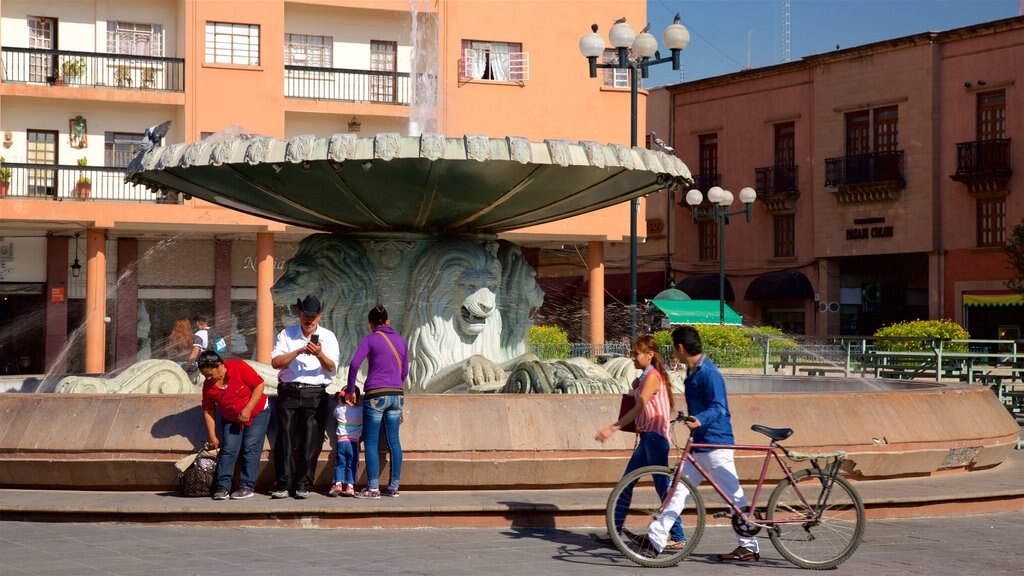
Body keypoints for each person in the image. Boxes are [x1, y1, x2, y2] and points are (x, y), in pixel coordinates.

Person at [646, 325, 760, 562]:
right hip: (699, 445)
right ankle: (654, 541)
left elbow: (719, 407)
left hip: (716, 444)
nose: (673, 353)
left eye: (673, 348)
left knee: (733, 497)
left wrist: (699, 419)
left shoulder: (709, 373)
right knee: (677, 491)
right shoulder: (693, 371)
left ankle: (749, 545)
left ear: (680, 347)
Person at [594, 335, 685, 551]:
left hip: (654, 439)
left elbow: (638, 408)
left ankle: (677, 535)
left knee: (661, 486)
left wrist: (612, 428)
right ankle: (615, 531)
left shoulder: (652, 376)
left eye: (636, 353)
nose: (631, 357)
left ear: (649, 354)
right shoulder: (648, 376)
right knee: (627, 483)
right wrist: (636, 384)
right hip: (649, 438)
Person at [270, 295, 340, 499]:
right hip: (289, 390)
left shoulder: (328, 337)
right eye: (305, 316)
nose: (309, 321)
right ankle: (283, 483)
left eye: (313, 317)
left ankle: (303, 484)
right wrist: (299, 350)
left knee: (312, 440)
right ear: (299, 314)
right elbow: (276, 362)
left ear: (319, 316)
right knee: (285, 438)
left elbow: (331, 367)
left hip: (315, 393)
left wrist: (318, 354)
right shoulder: (287, 334)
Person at [345, 304, 408, 499]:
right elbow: (404, 371)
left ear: (371, 324)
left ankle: (373, 488)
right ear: (388, 322)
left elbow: (354, 364)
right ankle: (394, 486)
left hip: (376, 394)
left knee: (371, 442)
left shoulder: (370, 339)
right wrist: (395, 384)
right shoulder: (400, 340)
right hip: (396, 394)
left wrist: (350, 390)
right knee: (394, 441)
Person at [198, 350, 270, 501]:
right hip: (231, 418)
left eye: (210, 375)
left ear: (219, 366)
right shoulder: (208, 386)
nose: (209, 379)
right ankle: (222, 486)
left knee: (251, 447)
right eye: (205, 376)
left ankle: (246, 486)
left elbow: (259, 386)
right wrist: (212, 436)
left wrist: (248, 409)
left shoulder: (238, 367)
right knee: (229, 449)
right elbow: (209, 410)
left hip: (257, 412)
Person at [329, 389, 363, 497]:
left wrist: (341, 402)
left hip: (341, 442)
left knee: (340, 464)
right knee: (352, 464)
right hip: (353, 443)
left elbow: (335, 414)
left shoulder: (338, 409)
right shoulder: (361, 410)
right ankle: (350, 486)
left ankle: (338, 484)